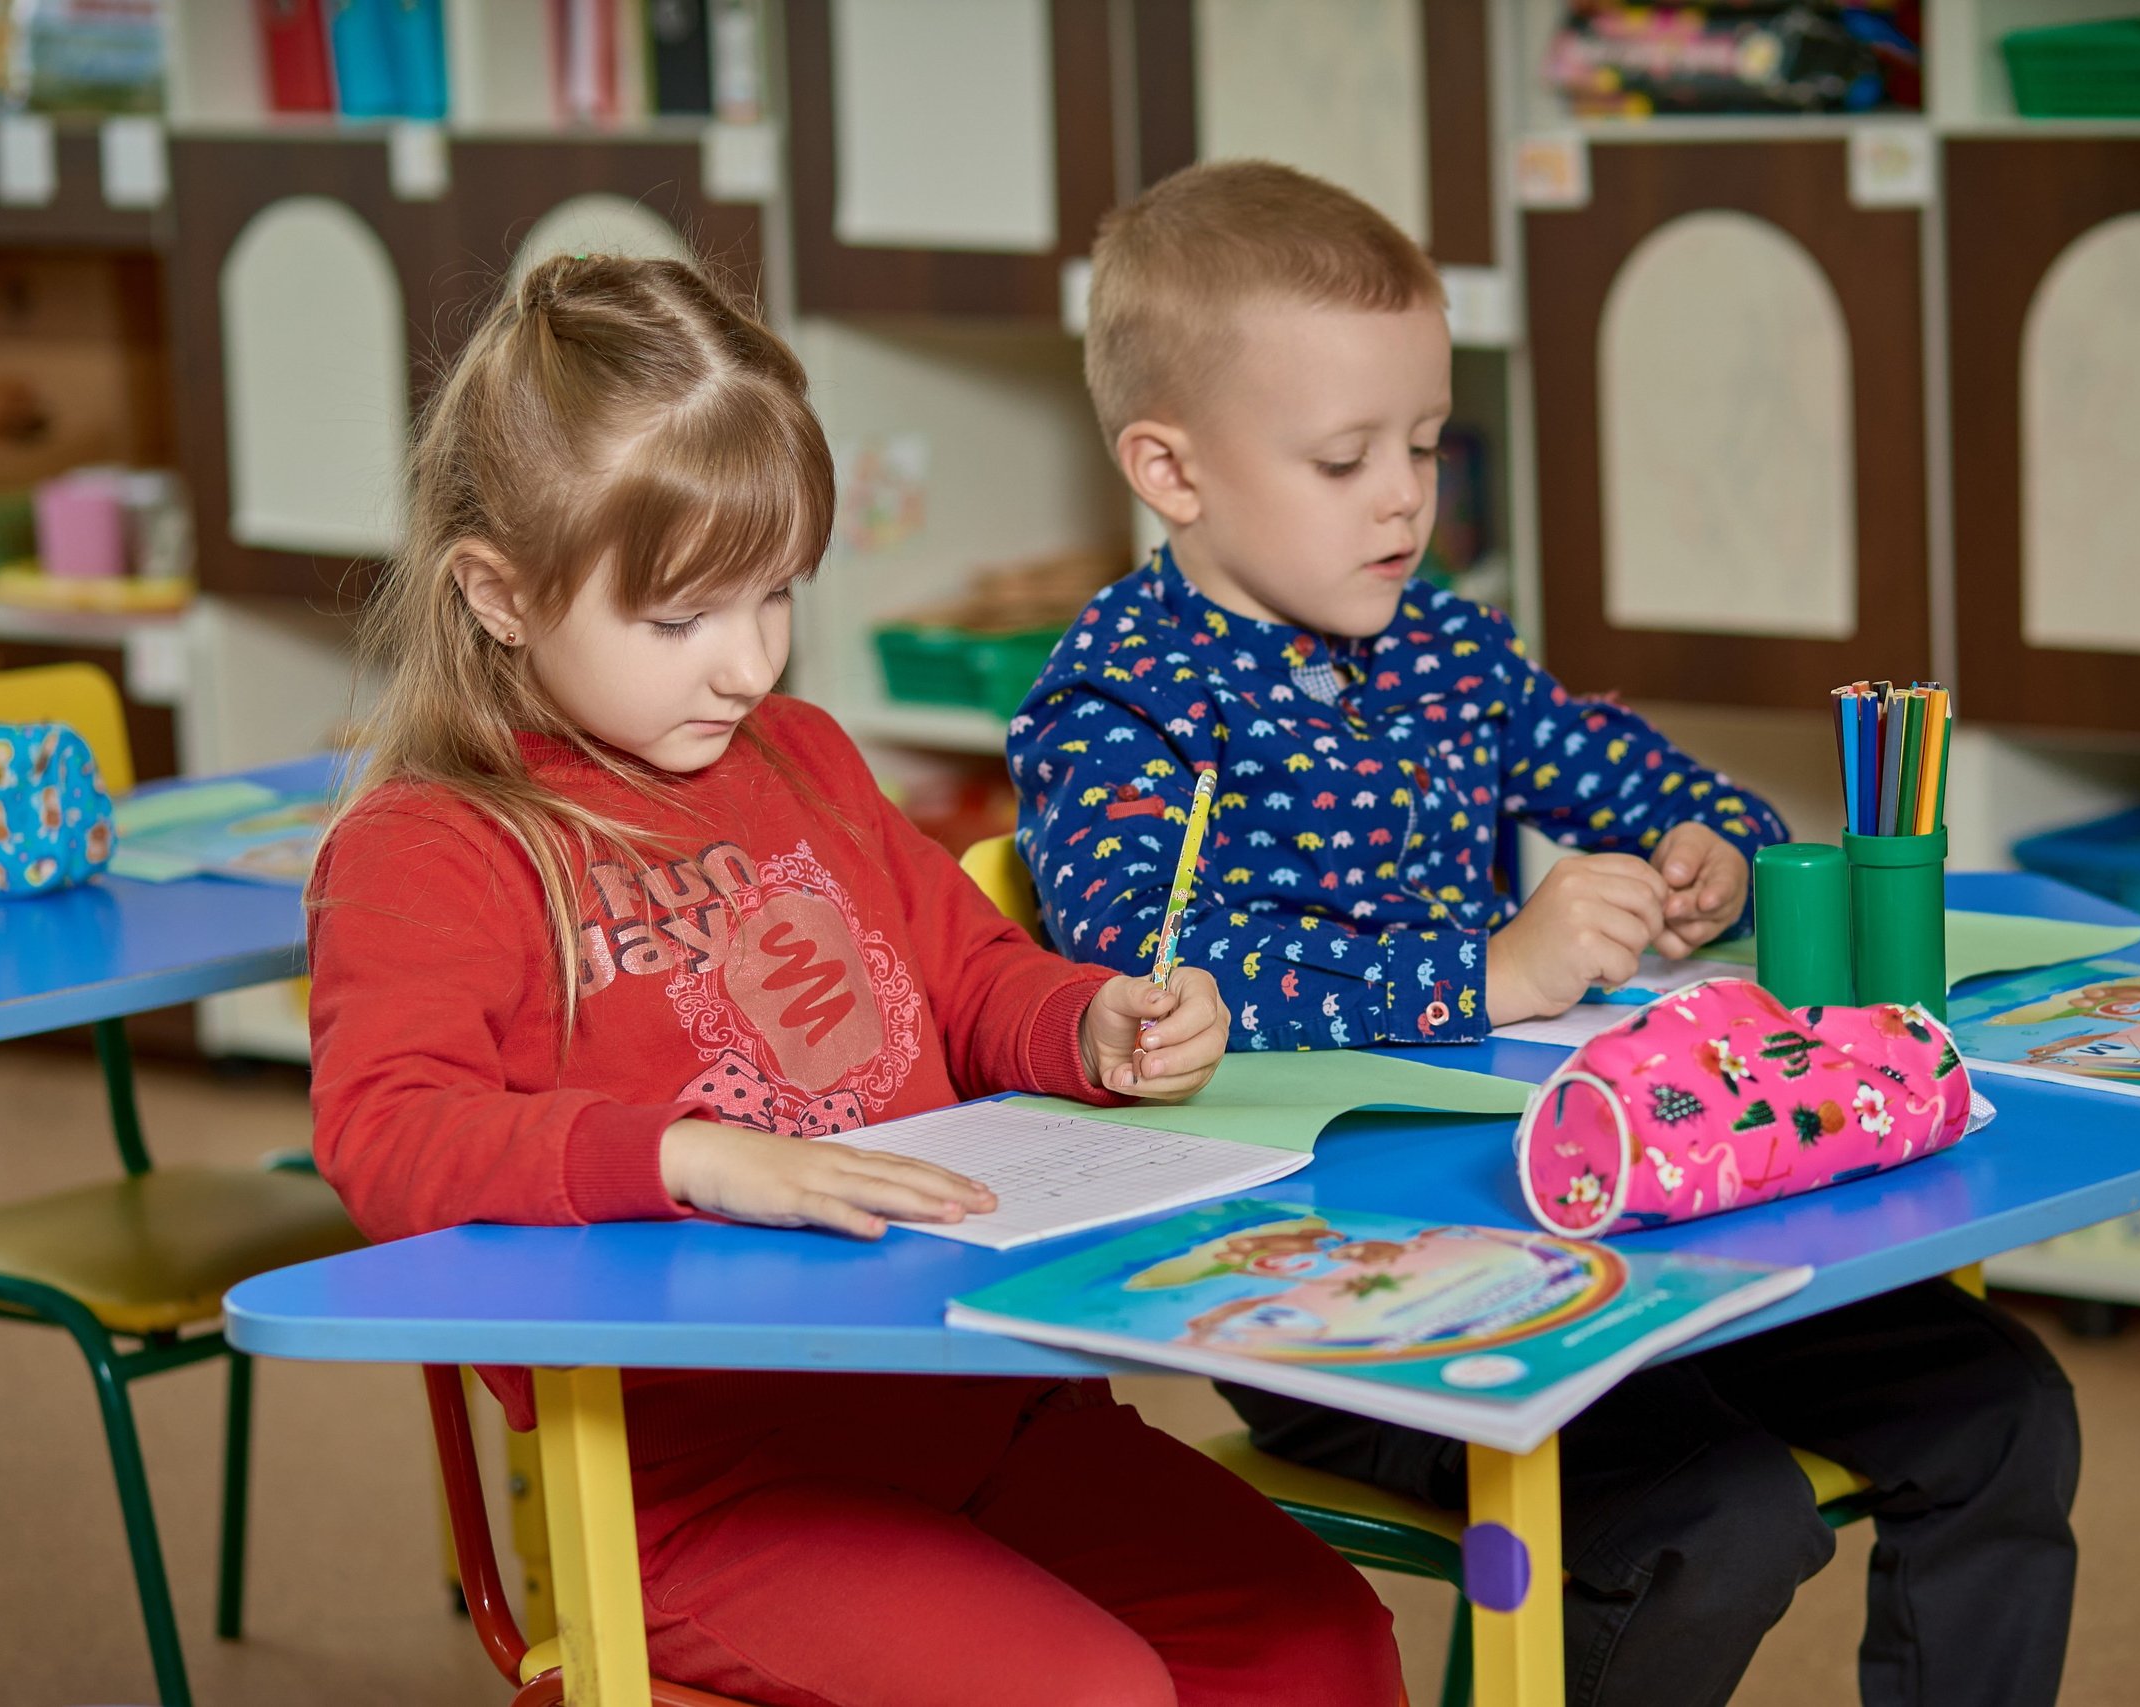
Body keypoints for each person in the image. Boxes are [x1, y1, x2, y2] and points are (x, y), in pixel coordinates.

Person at [1010, 161, 2080, 1707]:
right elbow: (1143, 974)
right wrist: (1489, 970)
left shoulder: (1437, 635)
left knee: (2008, 1414)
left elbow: (1619, 765)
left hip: (1604, 1205)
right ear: (1169, 472)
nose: (1403, 493)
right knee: (1714, 1517)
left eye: (1427, 444)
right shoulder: (1122, 697)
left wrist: (1709, 838)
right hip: (1344, 1280)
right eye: (1341, 458)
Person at [305, 253, 1403, 1707]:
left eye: (774, 597)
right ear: (499, 594)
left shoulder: (800, 757)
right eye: (678, 620)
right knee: (1089, 1696)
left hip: (989, 1405)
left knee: (1319, 1645)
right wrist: (686, 1158)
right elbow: (387, 1134)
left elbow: (965, 974)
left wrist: (1089, 1020)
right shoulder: (429, 848)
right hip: (714, 1497)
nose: (748, 663)